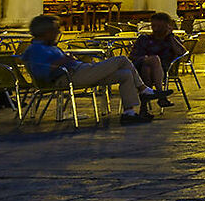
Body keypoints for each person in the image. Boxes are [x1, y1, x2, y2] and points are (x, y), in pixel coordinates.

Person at [22, 14, 150, 123]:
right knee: (121, 59)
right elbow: (41, 72)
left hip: (78, 72)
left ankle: (129, 112)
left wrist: (67, 59)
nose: (58, 32)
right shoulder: (36, 49)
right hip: (70, 76)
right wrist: (63, 61)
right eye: (56, 29)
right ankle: (144, 90)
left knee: (125, 74)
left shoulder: (48, 46)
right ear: (47, 32)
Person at [127, 13, 187, 106]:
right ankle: (161, 95)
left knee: (147, 70)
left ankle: (144, 109)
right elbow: (132, 56)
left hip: (162, 70)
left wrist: (170, 36)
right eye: (154, 26)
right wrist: (146, 59)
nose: (156, 29)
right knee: (153, 60)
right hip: (138, 67)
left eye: (159, 26)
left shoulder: (171, 40)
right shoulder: (144, 38)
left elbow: (182, 53)